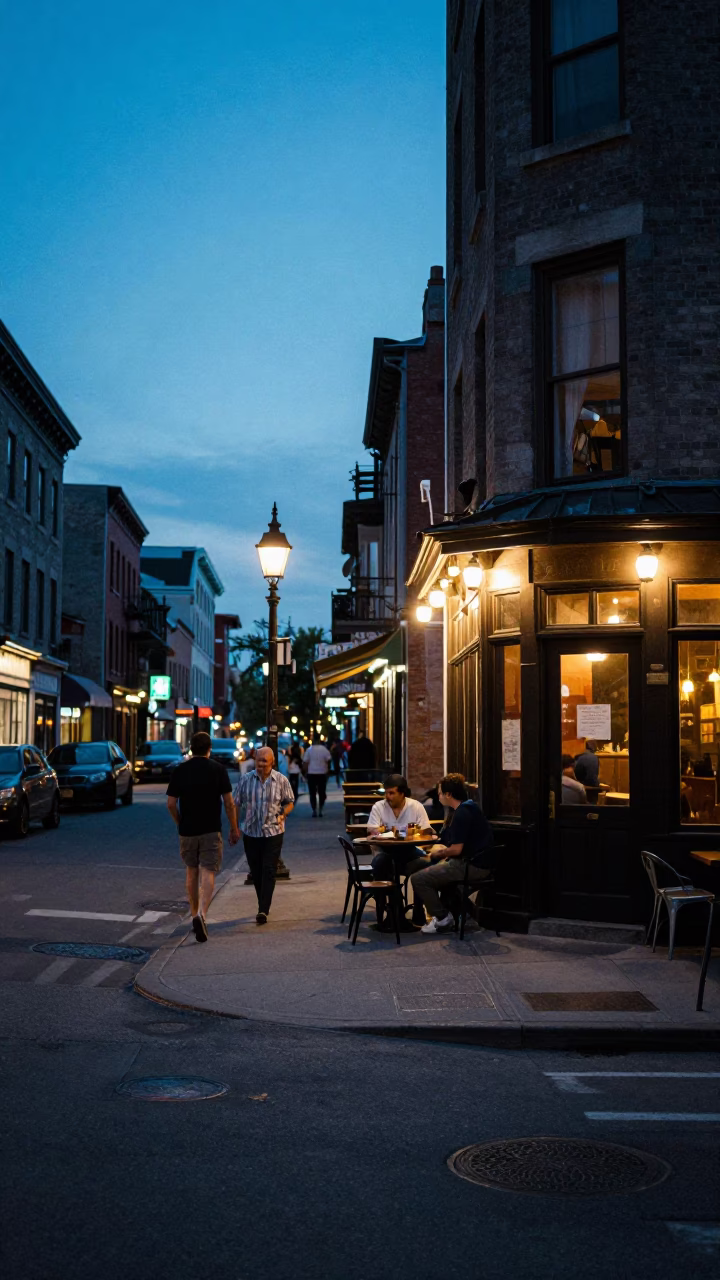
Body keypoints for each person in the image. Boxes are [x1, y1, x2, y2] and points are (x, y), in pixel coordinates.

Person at [166, 730, 240, 943]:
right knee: (208, 872)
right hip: (210, 829)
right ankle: (202, 915)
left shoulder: (180, 770)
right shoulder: (218, 770)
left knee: (191, 872)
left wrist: (179, 821)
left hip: (188, 829)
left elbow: (171, 803)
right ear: (209, 749)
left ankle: (193, 911)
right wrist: (234, 828)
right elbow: (229, 802)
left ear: (191, 748)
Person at [410, 773, 495, 934]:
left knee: (418, 878)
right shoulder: (468, 807)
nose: (439, 795)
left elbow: (457, 849)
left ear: (449, 794)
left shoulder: (462, 813)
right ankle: (466, 915)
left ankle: (442, 917)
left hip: (472, 866)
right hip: (478, 862)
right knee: (430, 869)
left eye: (440, 792)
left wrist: (438, 853)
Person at [233, 746, 294, 924]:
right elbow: (236, 803)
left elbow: (290, 801)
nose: (261, 765)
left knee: (269, 870)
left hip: (273, 831)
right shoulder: (245, 780)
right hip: (251, 832)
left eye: (264, 762)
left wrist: (284, 813)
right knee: (256, 871)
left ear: (272, 762)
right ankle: (263, 902)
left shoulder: (281, 780)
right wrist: (235, 826)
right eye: (258, 761)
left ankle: (263, 909)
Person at [367, 774, 433, 881]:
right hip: (384, 851)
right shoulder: (378, 807)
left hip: (409, 852)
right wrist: (377, 831)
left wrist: (409, 833)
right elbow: (372, 831)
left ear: (402, 793)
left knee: (429, 862)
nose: (387, 797)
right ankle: (391, 896)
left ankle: (421, 895)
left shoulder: (416, 806)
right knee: (381, 863)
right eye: (386, 793)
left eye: (392, 793)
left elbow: (426, 831)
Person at [303, 733, 332, 817]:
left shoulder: (309, 750)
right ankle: (321, 809)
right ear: (319, 739)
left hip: (311, 773)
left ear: (312, 739)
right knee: (322, 792)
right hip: (322, 773)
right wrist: (327, 768)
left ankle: (314, 810)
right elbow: (329, 760)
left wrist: (305, 772)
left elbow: (305, 762)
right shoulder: (324, 749)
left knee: (312, 793)